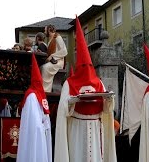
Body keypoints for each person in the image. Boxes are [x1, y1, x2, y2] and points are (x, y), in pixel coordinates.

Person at [54, 17, 116, 162]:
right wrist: (72, 102)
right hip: (77, 128)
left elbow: (107, 111)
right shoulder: (69, 83)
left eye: (88, 66)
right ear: (78, 67)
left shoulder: (99, 82)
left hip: (95, 128)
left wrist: (109, 99)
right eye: (83, 67)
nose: (86, 70)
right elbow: (63, 110)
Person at [17, 53, 52, 162]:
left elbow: (45, 114)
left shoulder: (39, 94)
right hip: (35, 134)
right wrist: (43, 126)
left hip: (41, 132)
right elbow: (35, 123)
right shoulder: (32, 96)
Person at [41, 24, 67, 92]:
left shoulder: (57, 37)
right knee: (42, 67)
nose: (44, 32)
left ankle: (45, 90)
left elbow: (64, 51)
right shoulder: (50, 40)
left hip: (58, 62)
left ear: (49, 29)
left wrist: (52, 56)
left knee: (45, 68)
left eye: (45, 30)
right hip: (53, 61)